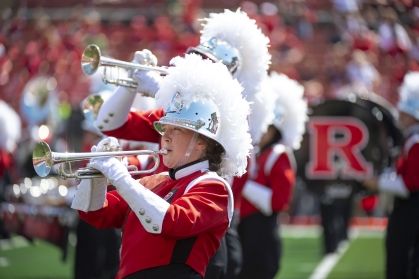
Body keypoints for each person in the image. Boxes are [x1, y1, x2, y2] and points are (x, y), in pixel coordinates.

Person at [95, 9, 272, 279]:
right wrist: (129, 84)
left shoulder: (228, 120)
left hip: (202, 227)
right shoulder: (174, 115)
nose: (195, 66)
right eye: (196, 59)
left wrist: (159, 88)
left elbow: (216, 150)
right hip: (163, 201)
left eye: (206, 63)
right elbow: (109, 124)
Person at [70, 53, 252, 279]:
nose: (164, 137)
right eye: (163, 129)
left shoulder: (214, 187)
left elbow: (171, 222)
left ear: (202, 142)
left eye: (176, 129)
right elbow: (94, 213)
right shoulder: (156, 180)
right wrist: (95, 176)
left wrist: (122, 178)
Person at [238, 72, 308, 279]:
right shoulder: (259, 153)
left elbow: (278, 201)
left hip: (261, 231)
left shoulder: (279, 155)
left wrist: (241, 183)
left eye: (266, 126)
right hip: (246, 228)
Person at [363, 71, 419, 279]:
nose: (401, 116)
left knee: (404, 261)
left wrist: (377, 182)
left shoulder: (415, 142)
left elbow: (410, 184)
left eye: (405, 113)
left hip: (412, 211)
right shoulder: (411, 140)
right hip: (409, 209)